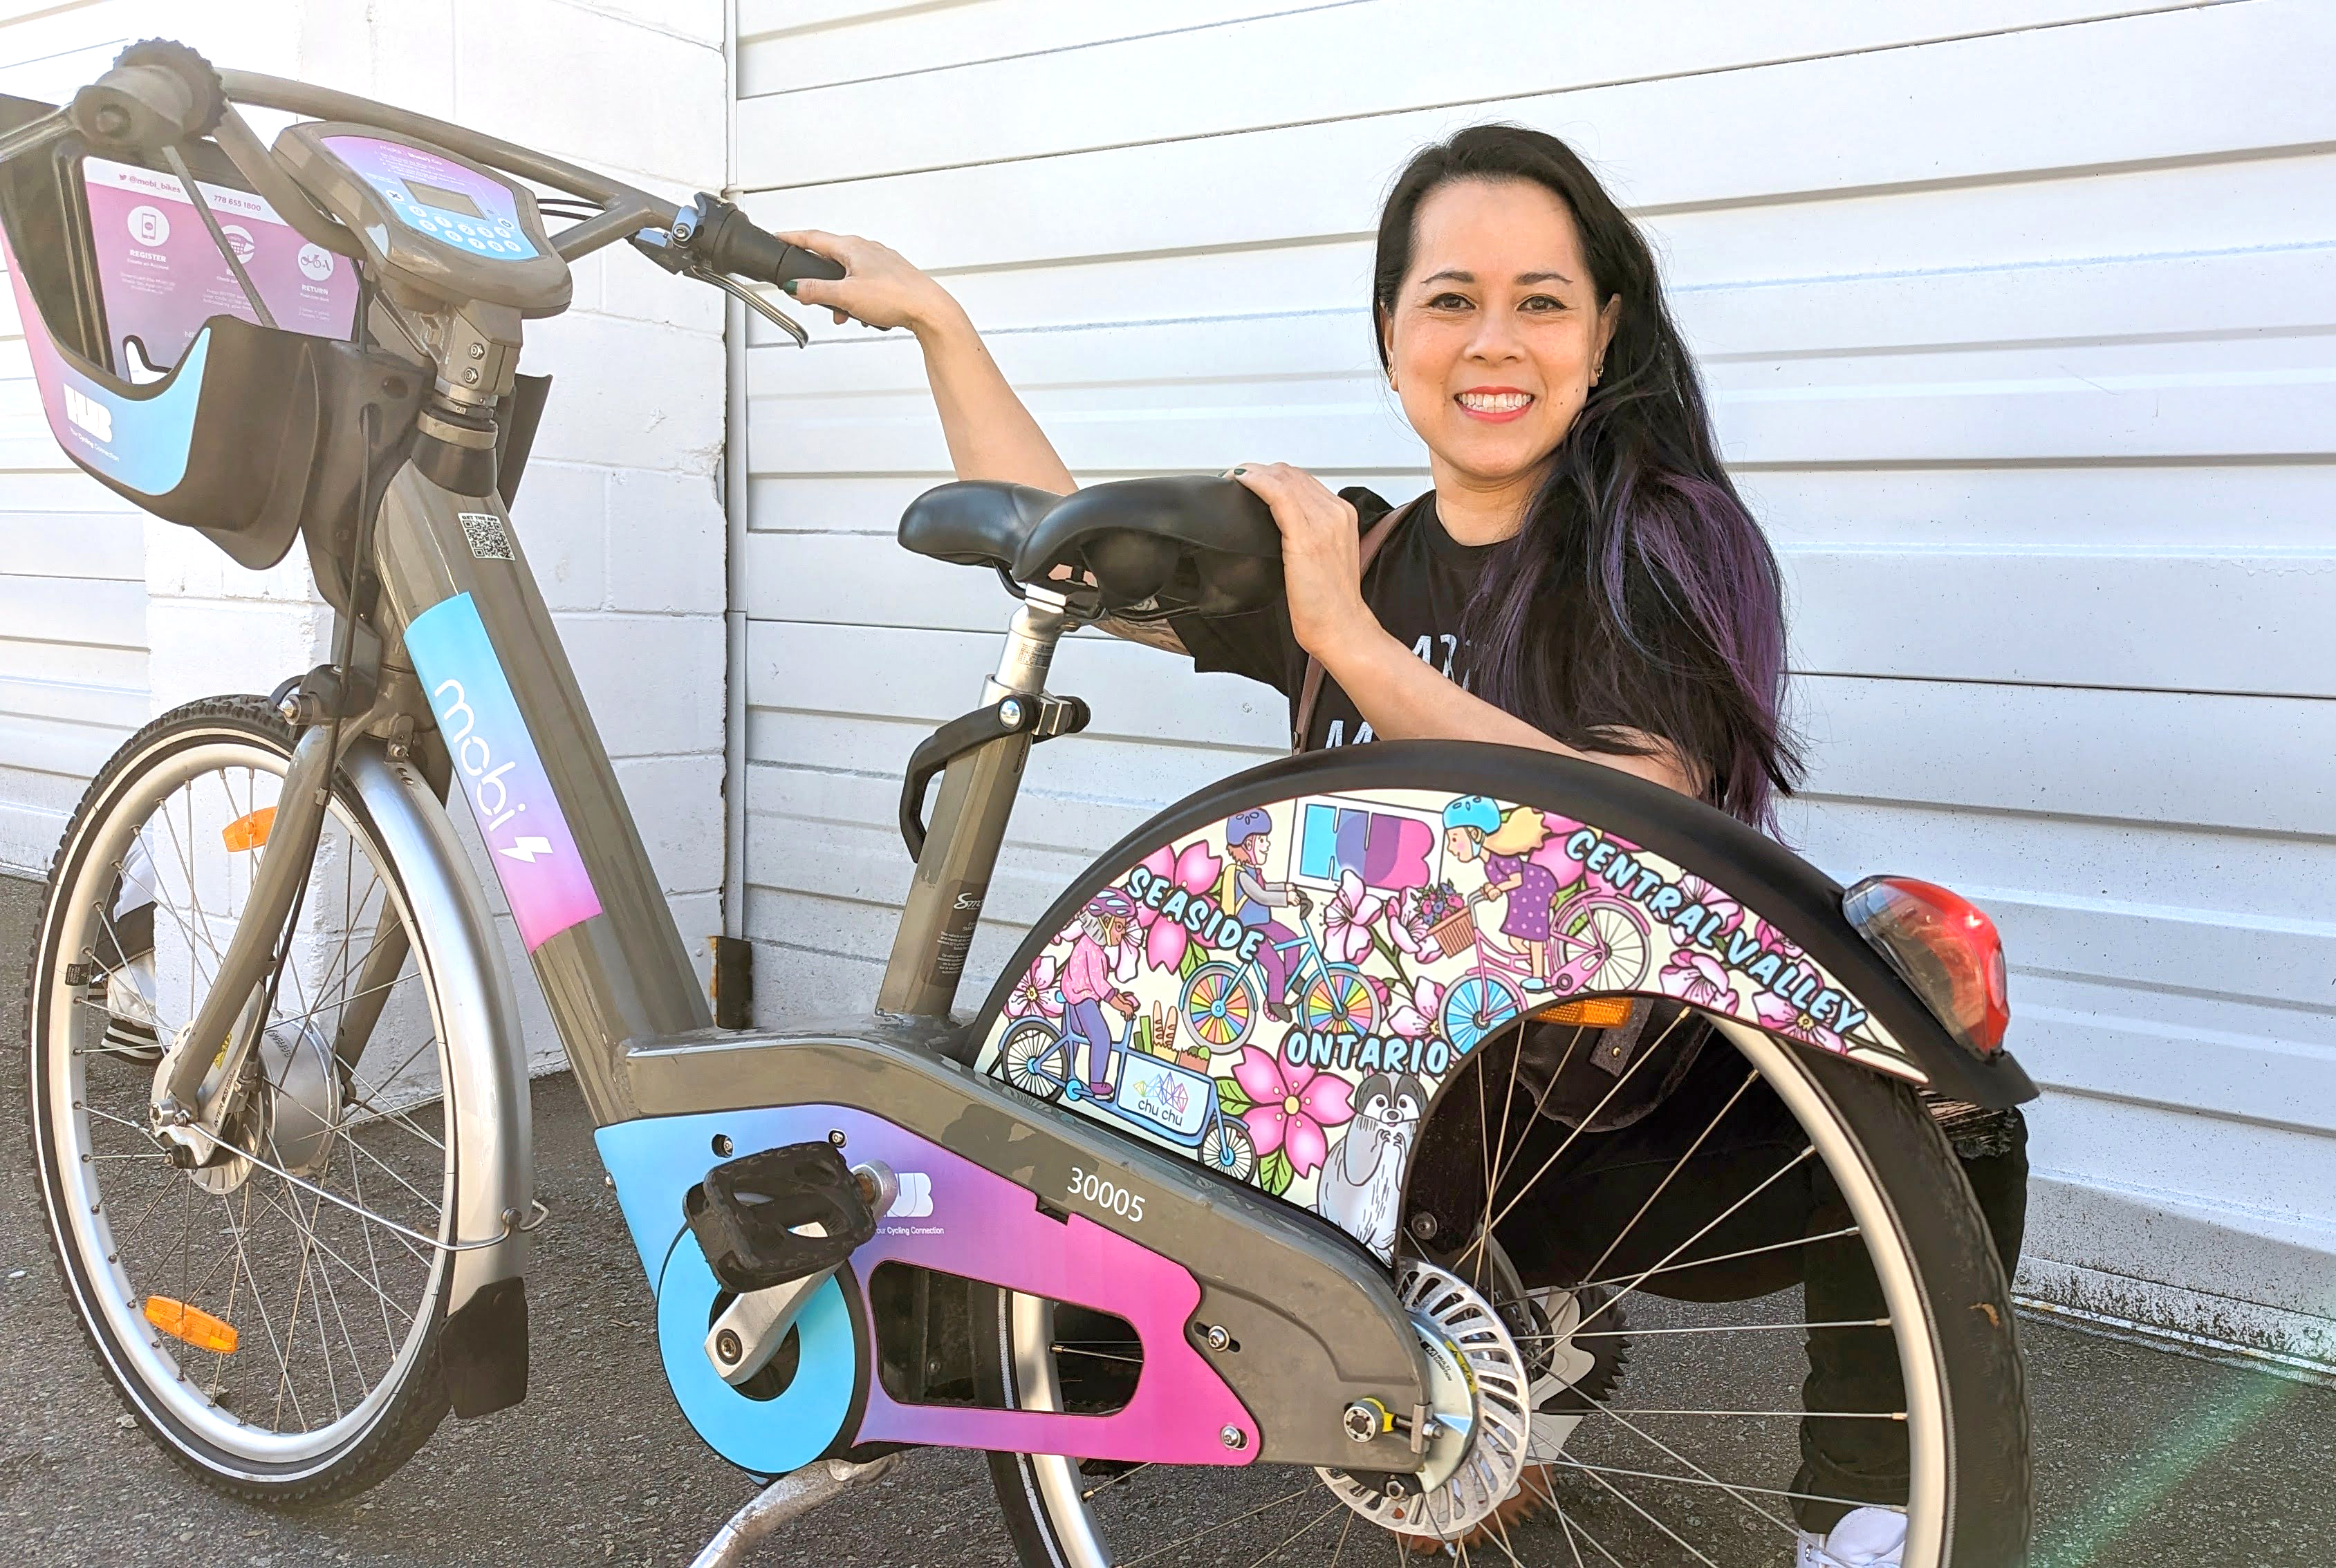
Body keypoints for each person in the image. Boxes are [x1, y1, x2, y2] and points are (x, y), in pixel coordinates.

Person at [780, 122, 2026, 1566]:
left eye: (1540, 301)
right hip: (1370, 1152)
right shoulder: (1354, 551)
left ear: (1604, 332)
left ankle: (1862, 1520)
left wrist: (1348, 647)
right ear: (1390, 334)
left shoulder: (1665, 539)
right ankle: (1477, 1357)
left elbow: (1635, 818)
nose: (1493, 342)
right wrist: (941, 319)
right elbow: (1079, 552)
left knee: (1947, 1068)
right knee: (1097, 1059)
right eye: (1450, 299)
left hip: (1625, 1139)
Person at [1215, 807, 1310, 1020]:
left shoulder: (1253, 872)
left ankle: (1292, 976)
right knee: (1275, 966)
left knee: (1292, 939)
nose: (1267, 845)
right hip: (1249, 931)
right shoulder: (1242, 876)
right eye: (1262, 841)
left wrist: (1287, 888)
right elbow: (1261, 896)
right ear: (1248, 845)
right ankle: (1275, 1001)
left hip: (1263, 923)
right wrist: (1287, 899)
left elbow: (1267, 887)